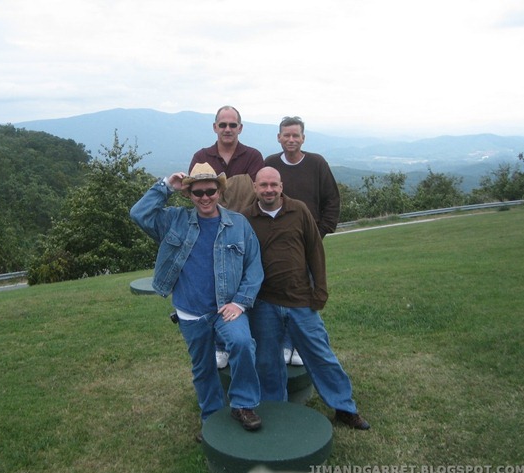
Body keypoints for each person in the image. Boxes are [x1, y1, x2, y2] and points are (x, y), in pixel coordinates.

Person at [130, 162, 265, 441]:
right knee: (203, 368)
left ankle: (243, 404)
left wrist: (240, 303)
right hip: (190, 311)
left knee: (242, 344)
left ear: (219, 191)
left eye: (210, 191)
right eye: (198, 192)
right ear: (189, 194)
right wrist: (166, 186)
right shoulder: (174, 220)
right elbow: (139, 213)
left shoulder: (238, 224)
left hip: (227, 309)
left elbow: (254, 267)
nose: (205, 197)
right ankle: (211, 419)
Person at [242, 167, 370, 430]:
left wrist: (320, 290)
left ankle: (344, 408)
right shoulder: (246, 218)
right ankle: (277, 410)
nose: (269, 190)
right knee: (267, 361)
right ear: (255, 187)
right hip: (263, 303)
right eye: (263, 185)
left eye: (273, 185)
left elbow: (315, 251)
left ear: (281, 186)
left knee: (321, 355)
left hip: (300, 300)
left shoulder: (299, 211)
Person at [190, 105, 265, 369]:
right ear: (215, 127)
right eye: (223, 124)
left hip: (245, 232)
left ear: (240, 128)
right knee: (215, 287)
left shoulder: (253, 156)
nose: (228, 129)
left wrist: (221, 196)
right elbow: (198, 195)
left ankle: (246, 338)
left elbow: (257, 193)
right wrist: (232, 189)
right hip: (210, 233)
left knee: (246, 284)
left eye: (233, 125)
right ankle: (220, 344)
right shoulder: (201, 156)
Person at [264, 116, 341, 366]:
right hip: (277, 243)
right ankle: (286, 342)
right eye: (286, 135)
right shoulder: (271, 163)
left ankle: (301, 344)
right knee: (281, 292)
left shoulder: (316, 163)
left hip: (309, 241)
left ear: (303, 138)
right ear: (279, 137)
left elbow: (332, 200)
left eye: (295, 135)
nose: (291, 139)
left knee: (306, 292)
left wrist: (319, 232)